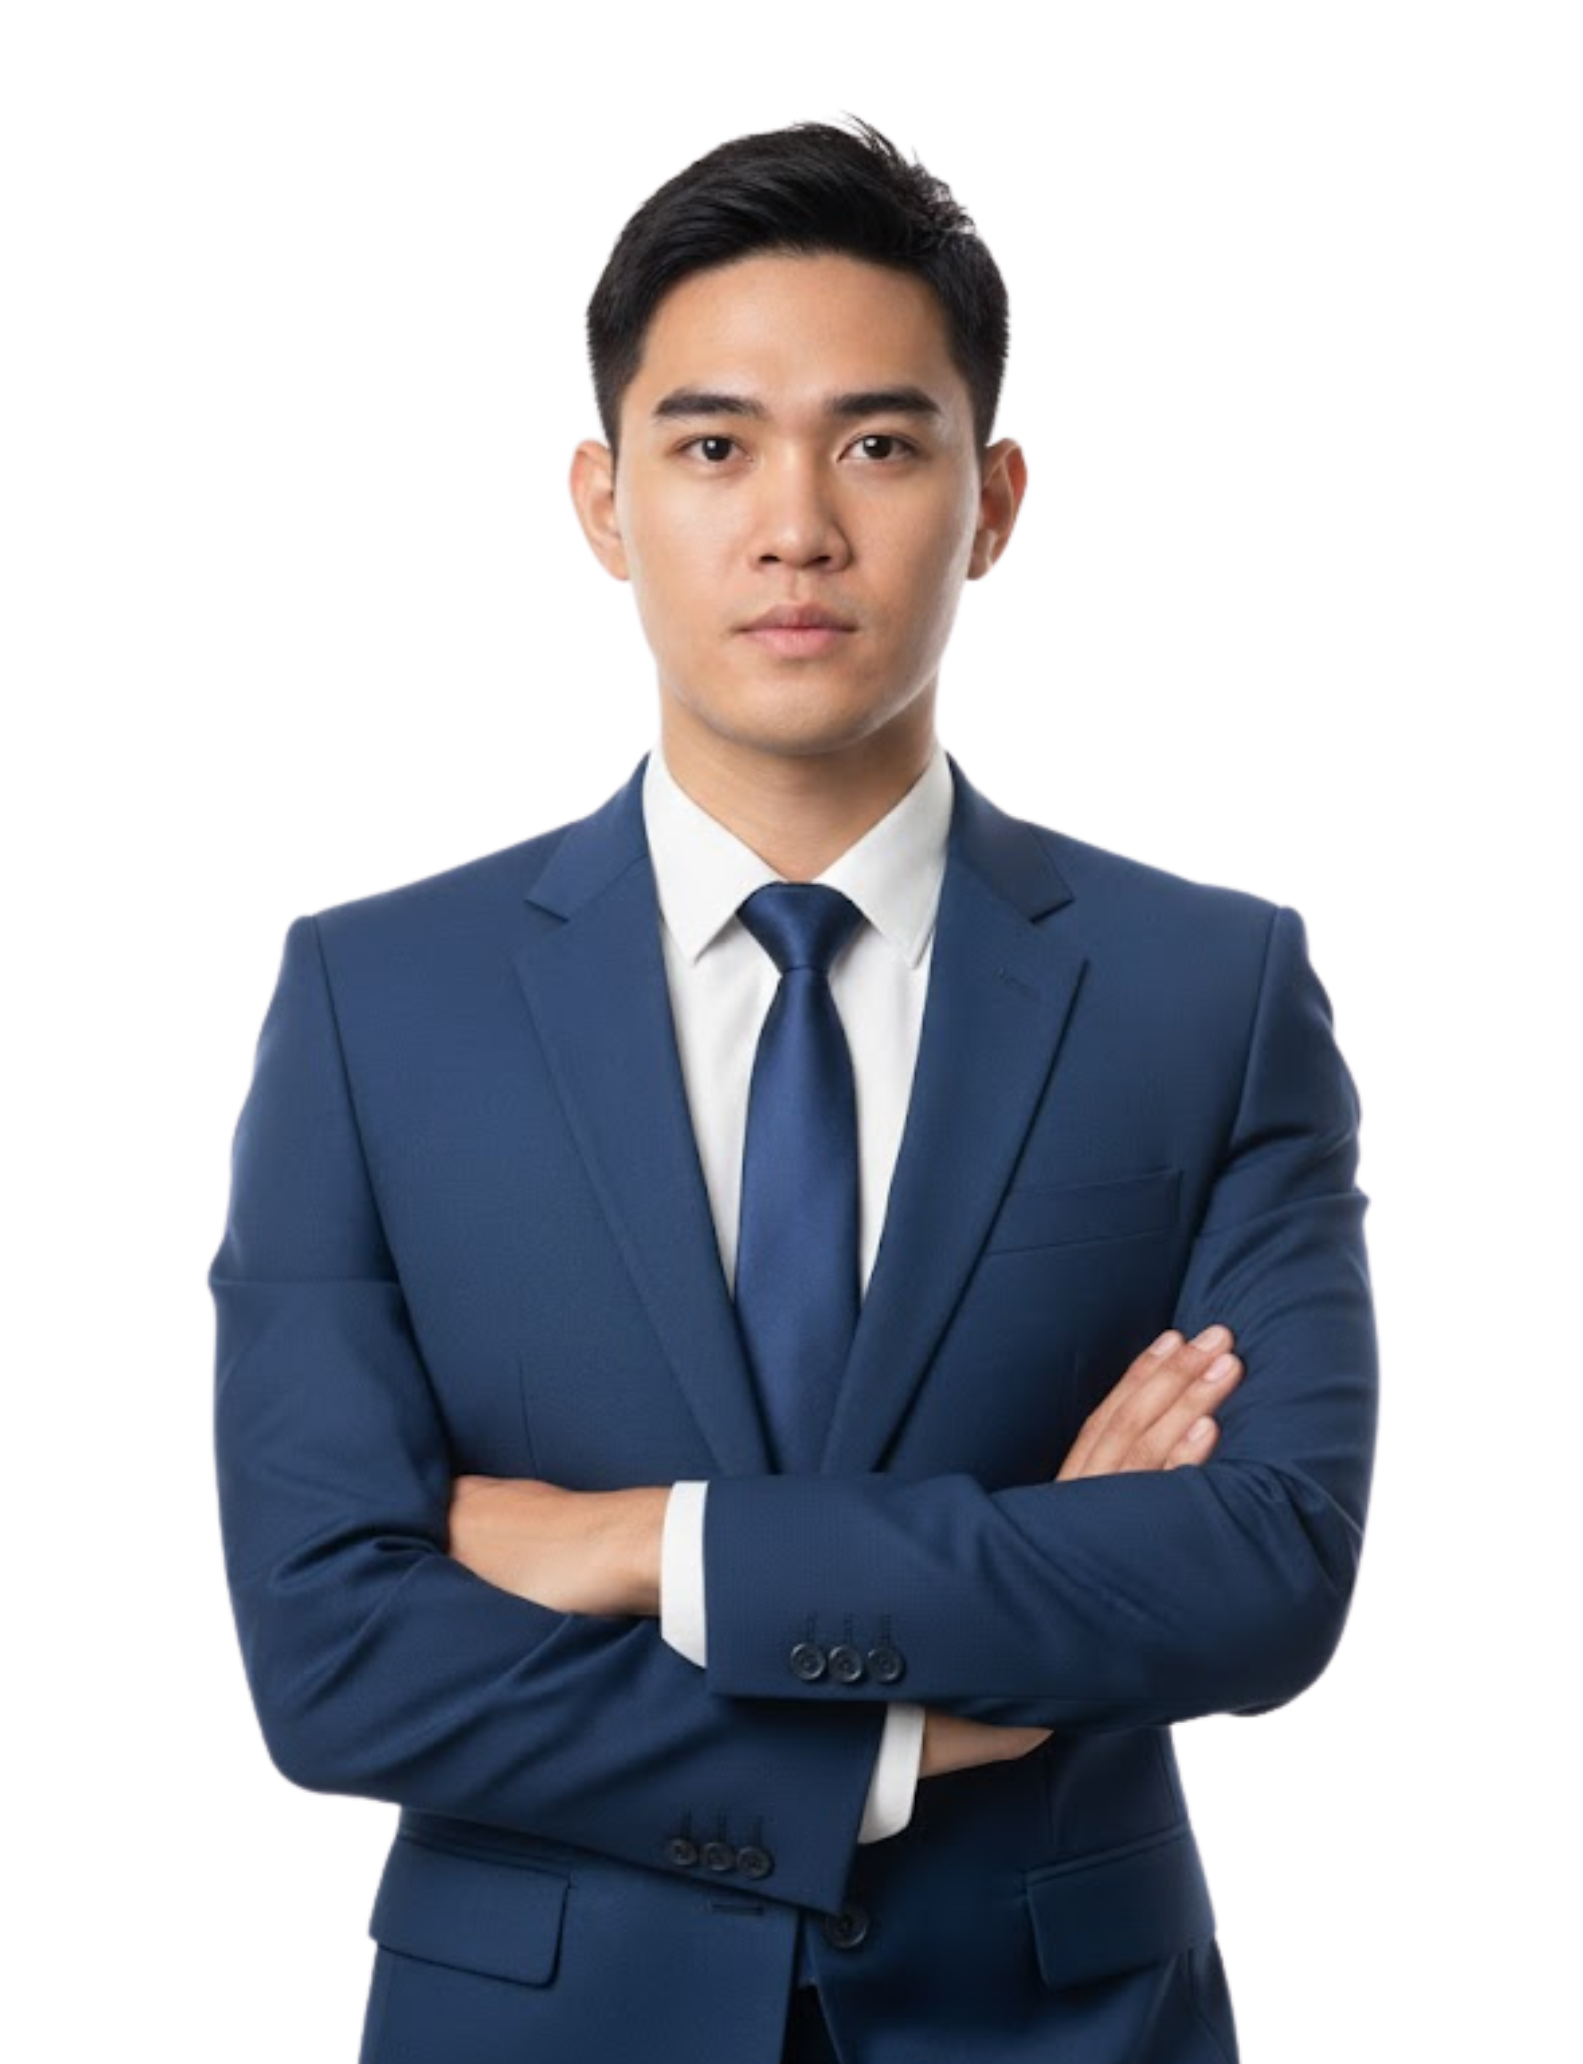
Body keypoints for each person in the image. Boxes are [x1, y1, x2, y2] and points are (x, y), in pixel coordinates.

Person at [209, 113, 1379, 2064]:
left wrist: (643, 1544)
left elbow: (1265, 1571)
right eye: (712, 443)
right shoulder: (370, 996)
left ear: (995, 500)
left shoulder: (1210, 984)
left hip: (1064, 2031)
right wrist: (909, 1743)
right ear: (600, 502)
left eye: (879, 442)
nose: (797, 527)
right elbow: (329, 1653)